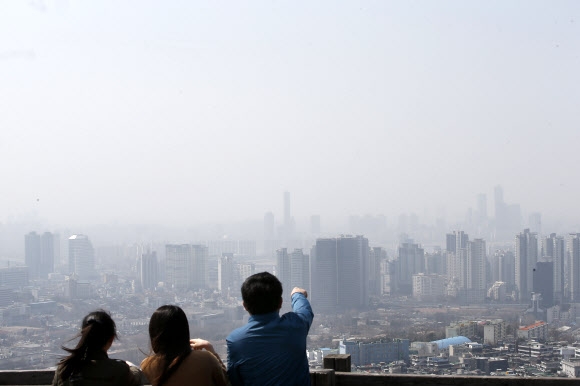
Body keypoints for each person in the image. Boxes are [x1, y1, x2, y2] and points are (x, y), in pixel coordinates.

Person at [227, 272, 314, 385]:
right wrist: (297, 294)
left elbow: (234, 380)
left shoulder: (235, 341)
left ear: (245, 305)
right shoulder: (295, 326)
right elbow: (304, 311)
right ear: (280, 302)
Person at [141, 304, 228, 386]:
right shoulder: (206, 359)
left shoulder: (147, 366)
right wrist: (210, 349)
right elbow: (226, 382)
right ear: (184, 331)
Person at [52, 309, 143, 386]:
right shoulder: (119, 371)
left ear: (83, 336)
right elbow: (135, 377)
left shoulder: (64, 369)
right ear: (111, 339)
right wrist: (131, 366)